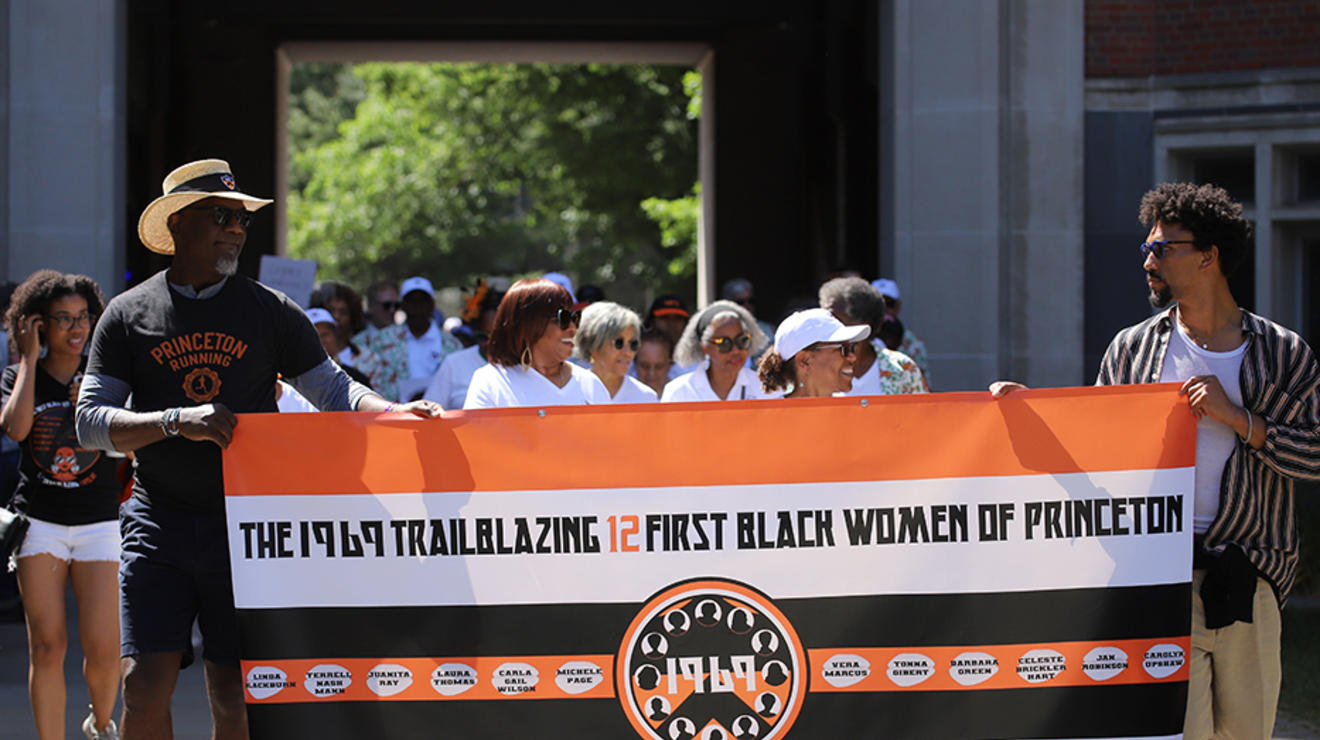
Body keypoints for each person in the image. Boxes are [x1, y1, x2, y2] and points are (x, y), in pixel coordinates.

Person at [74, 158, 440, 740]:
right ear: (176, 226)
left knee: (236, 696)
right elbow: (89, 423)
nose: (237, 229)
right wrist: (175, 421)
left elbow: (333, 389)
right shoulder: (127, 314)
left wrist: (395, 413)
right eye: (221, 216)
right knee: (143, 686)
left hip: (245, 527)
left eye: (242, 218)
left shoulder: (270, 310)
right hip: (157, 522)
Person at [992, 182, 1320, 740]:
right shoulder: (1132, 348)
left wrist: (1238, 418)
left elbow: (1314, 454)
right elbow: (1100, 447)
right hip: (1158, 577)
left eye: (1162, 249)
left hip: (1251, 577)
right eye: (1147, 249)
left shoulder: (1281, 352)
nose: (1148, 261)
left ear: (1208, 257)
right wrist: (1033, 414)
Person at [1, 270, 120, 740]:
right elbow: (15, 430)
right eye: (62, 319)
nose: (75, 328)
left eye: (83, 317)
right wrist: (29, 362)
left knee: (106, 650)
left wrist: (95, 411)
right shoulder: (16, 375)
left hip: (99, 524)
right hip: (40, 526)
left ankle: (102, 722)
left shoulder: (104, 376)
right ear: (38, 326)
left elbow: (130, 449)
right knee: (48, 647)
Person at [463, 278, 610, 409]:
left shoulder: (590, 384)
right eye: (563, 318)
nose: (573, 328)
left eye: (575, 317)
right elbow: (475, 439)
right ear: (527, 324)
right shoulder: (491, 382)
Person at [818, 277, 927, 395]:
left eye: (834, 319)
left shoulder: (902, 369)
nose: (824, 324)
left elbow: (922, 412)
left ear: (863, 324)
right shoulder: (813, 369)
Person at [661, 301, 778, 403]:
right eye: (724, 343)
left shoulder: (765, 390)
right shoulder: (679, 392)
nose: (736, 350)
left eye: (742, 340)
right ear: (704, 346)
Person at [423, 281, 503, 410]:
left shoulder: (525, 366)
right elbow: (429, 411)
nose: (490, 343)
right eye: (483, 337)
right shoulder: (454, 364)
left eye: (498, 337)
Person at [756, 308, 870, 398]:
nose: (853, 357)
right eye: (843, 349)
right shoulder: (769, 420)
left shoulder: (856, 414)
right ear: (805, 360)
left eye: (852, 347)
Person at [310, 281, 390, 396]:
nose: (336, 317)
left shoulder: (369, 359)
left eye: (343, 312)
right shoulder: (303, 359)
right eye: (330, 310)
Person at [390, 276, 461, 401]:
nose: (417, 307)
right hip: (395, 415)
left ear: (432, 304)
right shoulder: (383, 341)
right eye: (411, 301)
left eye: (423, 301)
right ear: (403, 305)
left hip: (441, 415)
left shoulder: (452, 344)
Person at [573, 302, 658, 404]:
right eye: (619, 343)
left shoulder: (646, 398)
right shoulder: (572, 392)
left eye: (633, 344)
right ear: (593, 345)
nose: (627, 352)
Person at [872, 278, 931, 386]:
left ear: (898, 306)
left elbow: (923, 387)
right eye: (877, 305)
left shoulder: (914, 344)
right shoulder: (856, 340)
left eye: (889, 303)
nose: (883, 310)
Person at [306, 308, 374, 388]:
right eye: (314, 336)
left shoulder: (356, 379)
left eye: (325, 334)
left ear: (335, 335)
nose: (322, 341)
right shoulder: (296, 383)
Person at [633, 328, 675, 398]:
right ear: (635, 363)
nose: (651, 373)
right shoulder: (623, 397)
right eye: (645, 366)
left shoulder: (680, 395)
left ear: (670, 365)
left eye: (659, 366)